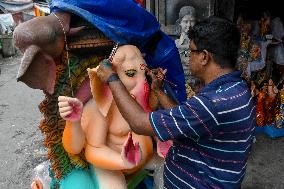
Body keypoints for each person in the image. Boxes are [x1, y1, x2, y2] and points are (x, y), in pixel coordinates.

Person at [94, 16, 256, 188]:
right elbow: (190, 119)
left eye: (191, 51)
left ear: (204, 57)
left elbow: (139, 123)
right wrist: (158, 91)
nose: (187, 57)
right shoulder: (236, 88)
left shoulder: (212, 104)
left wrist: (112, 79)